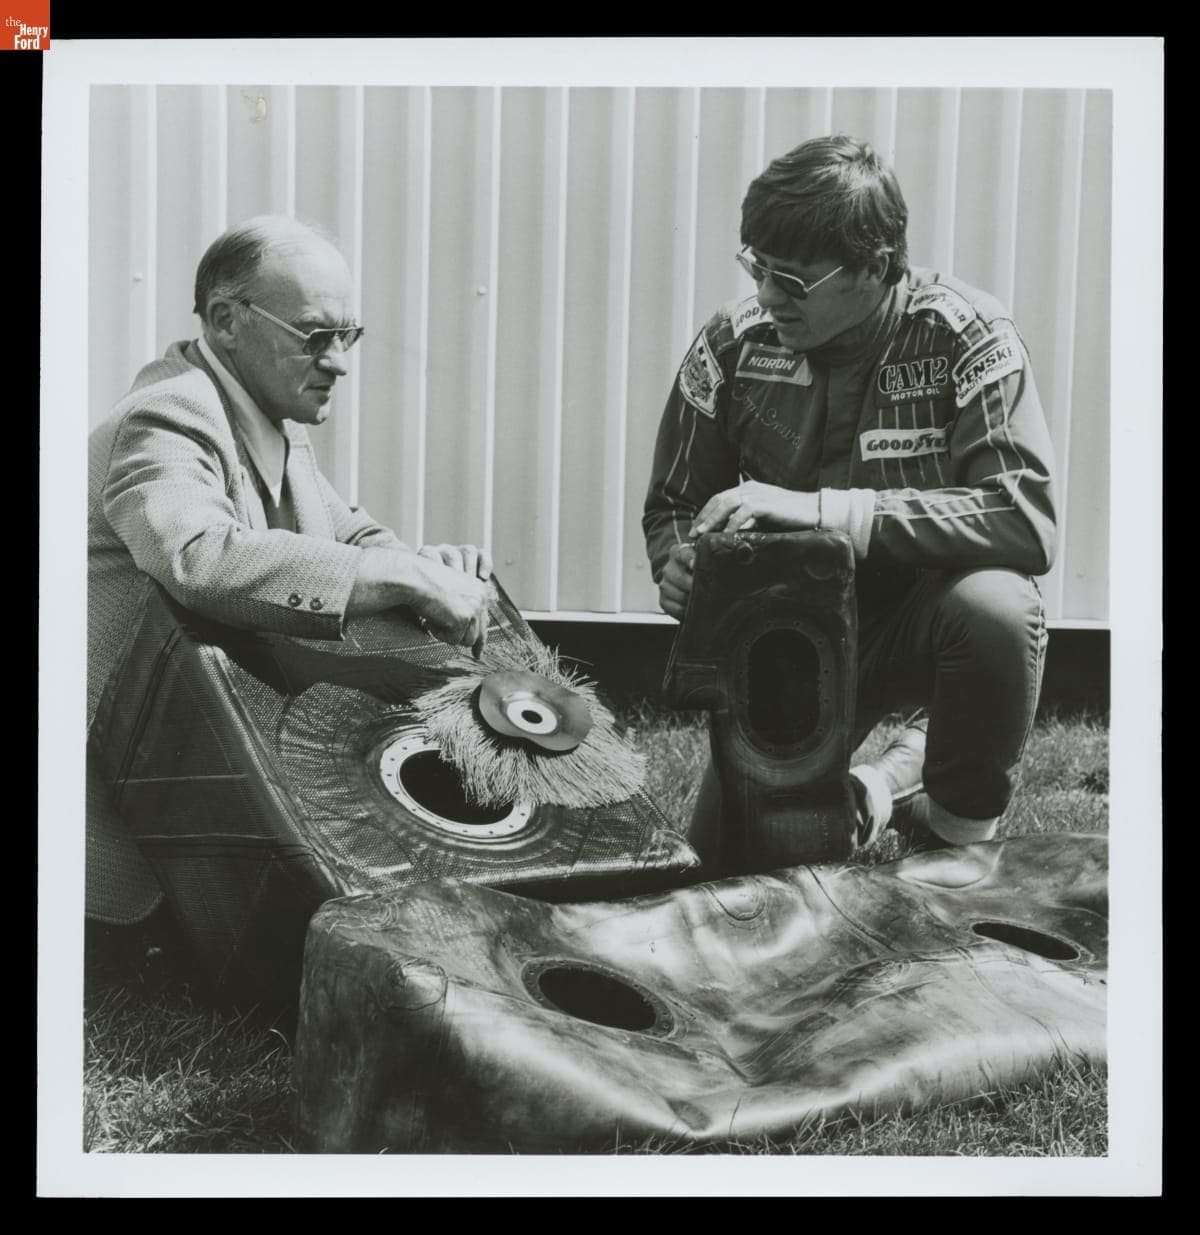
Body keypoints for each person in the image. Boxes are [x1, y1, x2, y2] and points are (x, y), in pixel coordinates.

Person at [643, 135, 1057, 853]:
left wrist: (827, 510)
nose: (767, 295)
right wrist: (678, 559)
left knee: (997, 607)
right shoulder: (732, 343)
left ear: (876, 266)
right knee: (729, 869)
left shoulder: (968, 335)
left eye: (793, 281)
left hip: (929, 619)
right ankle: (882, 788)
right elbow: (674, 500)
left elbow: (1024, 517)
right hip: (790, 636)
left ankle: (959, 836)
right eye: (757, 267)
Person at [87, 215, 493, 924]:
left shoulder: (262, 412)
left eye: (348, 335)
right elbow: (199, 556)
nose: (338, 361)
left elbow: (344, 528)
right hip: (117, 795)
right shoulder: (166, 415)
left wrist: (422, 562)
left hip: (185, 754)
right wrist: (403, 579)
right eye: (315, 336)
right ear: (225, 320)